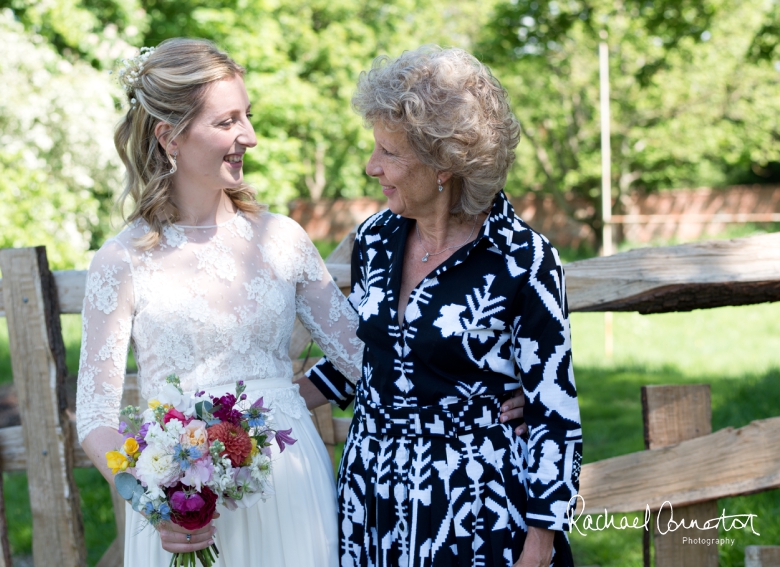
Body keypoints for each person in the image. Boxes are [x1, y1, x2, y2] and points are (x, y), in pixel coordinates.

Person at [74, 38, 365, 567]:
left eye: (247, 117)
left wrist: (489, 385)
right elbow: (94, 418)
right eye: (227, 122)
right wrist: (152, 503)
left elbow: (367, 362)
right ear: (170, 137)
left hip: (290, 483)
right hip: (182, 509)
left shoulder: (283, 240)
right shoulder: (121, 261)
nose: (248, 137)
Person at [302, 46, 582, 567]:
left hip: (474, 507)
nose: (371, 166)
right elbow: (364, 360)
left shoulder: (521, 258)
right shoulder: (376, 238)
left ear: (443, 164)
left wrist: (540, 542)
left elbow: (553, 410)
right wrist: (262, 408)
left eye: (389, 151)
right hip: (375, 498)